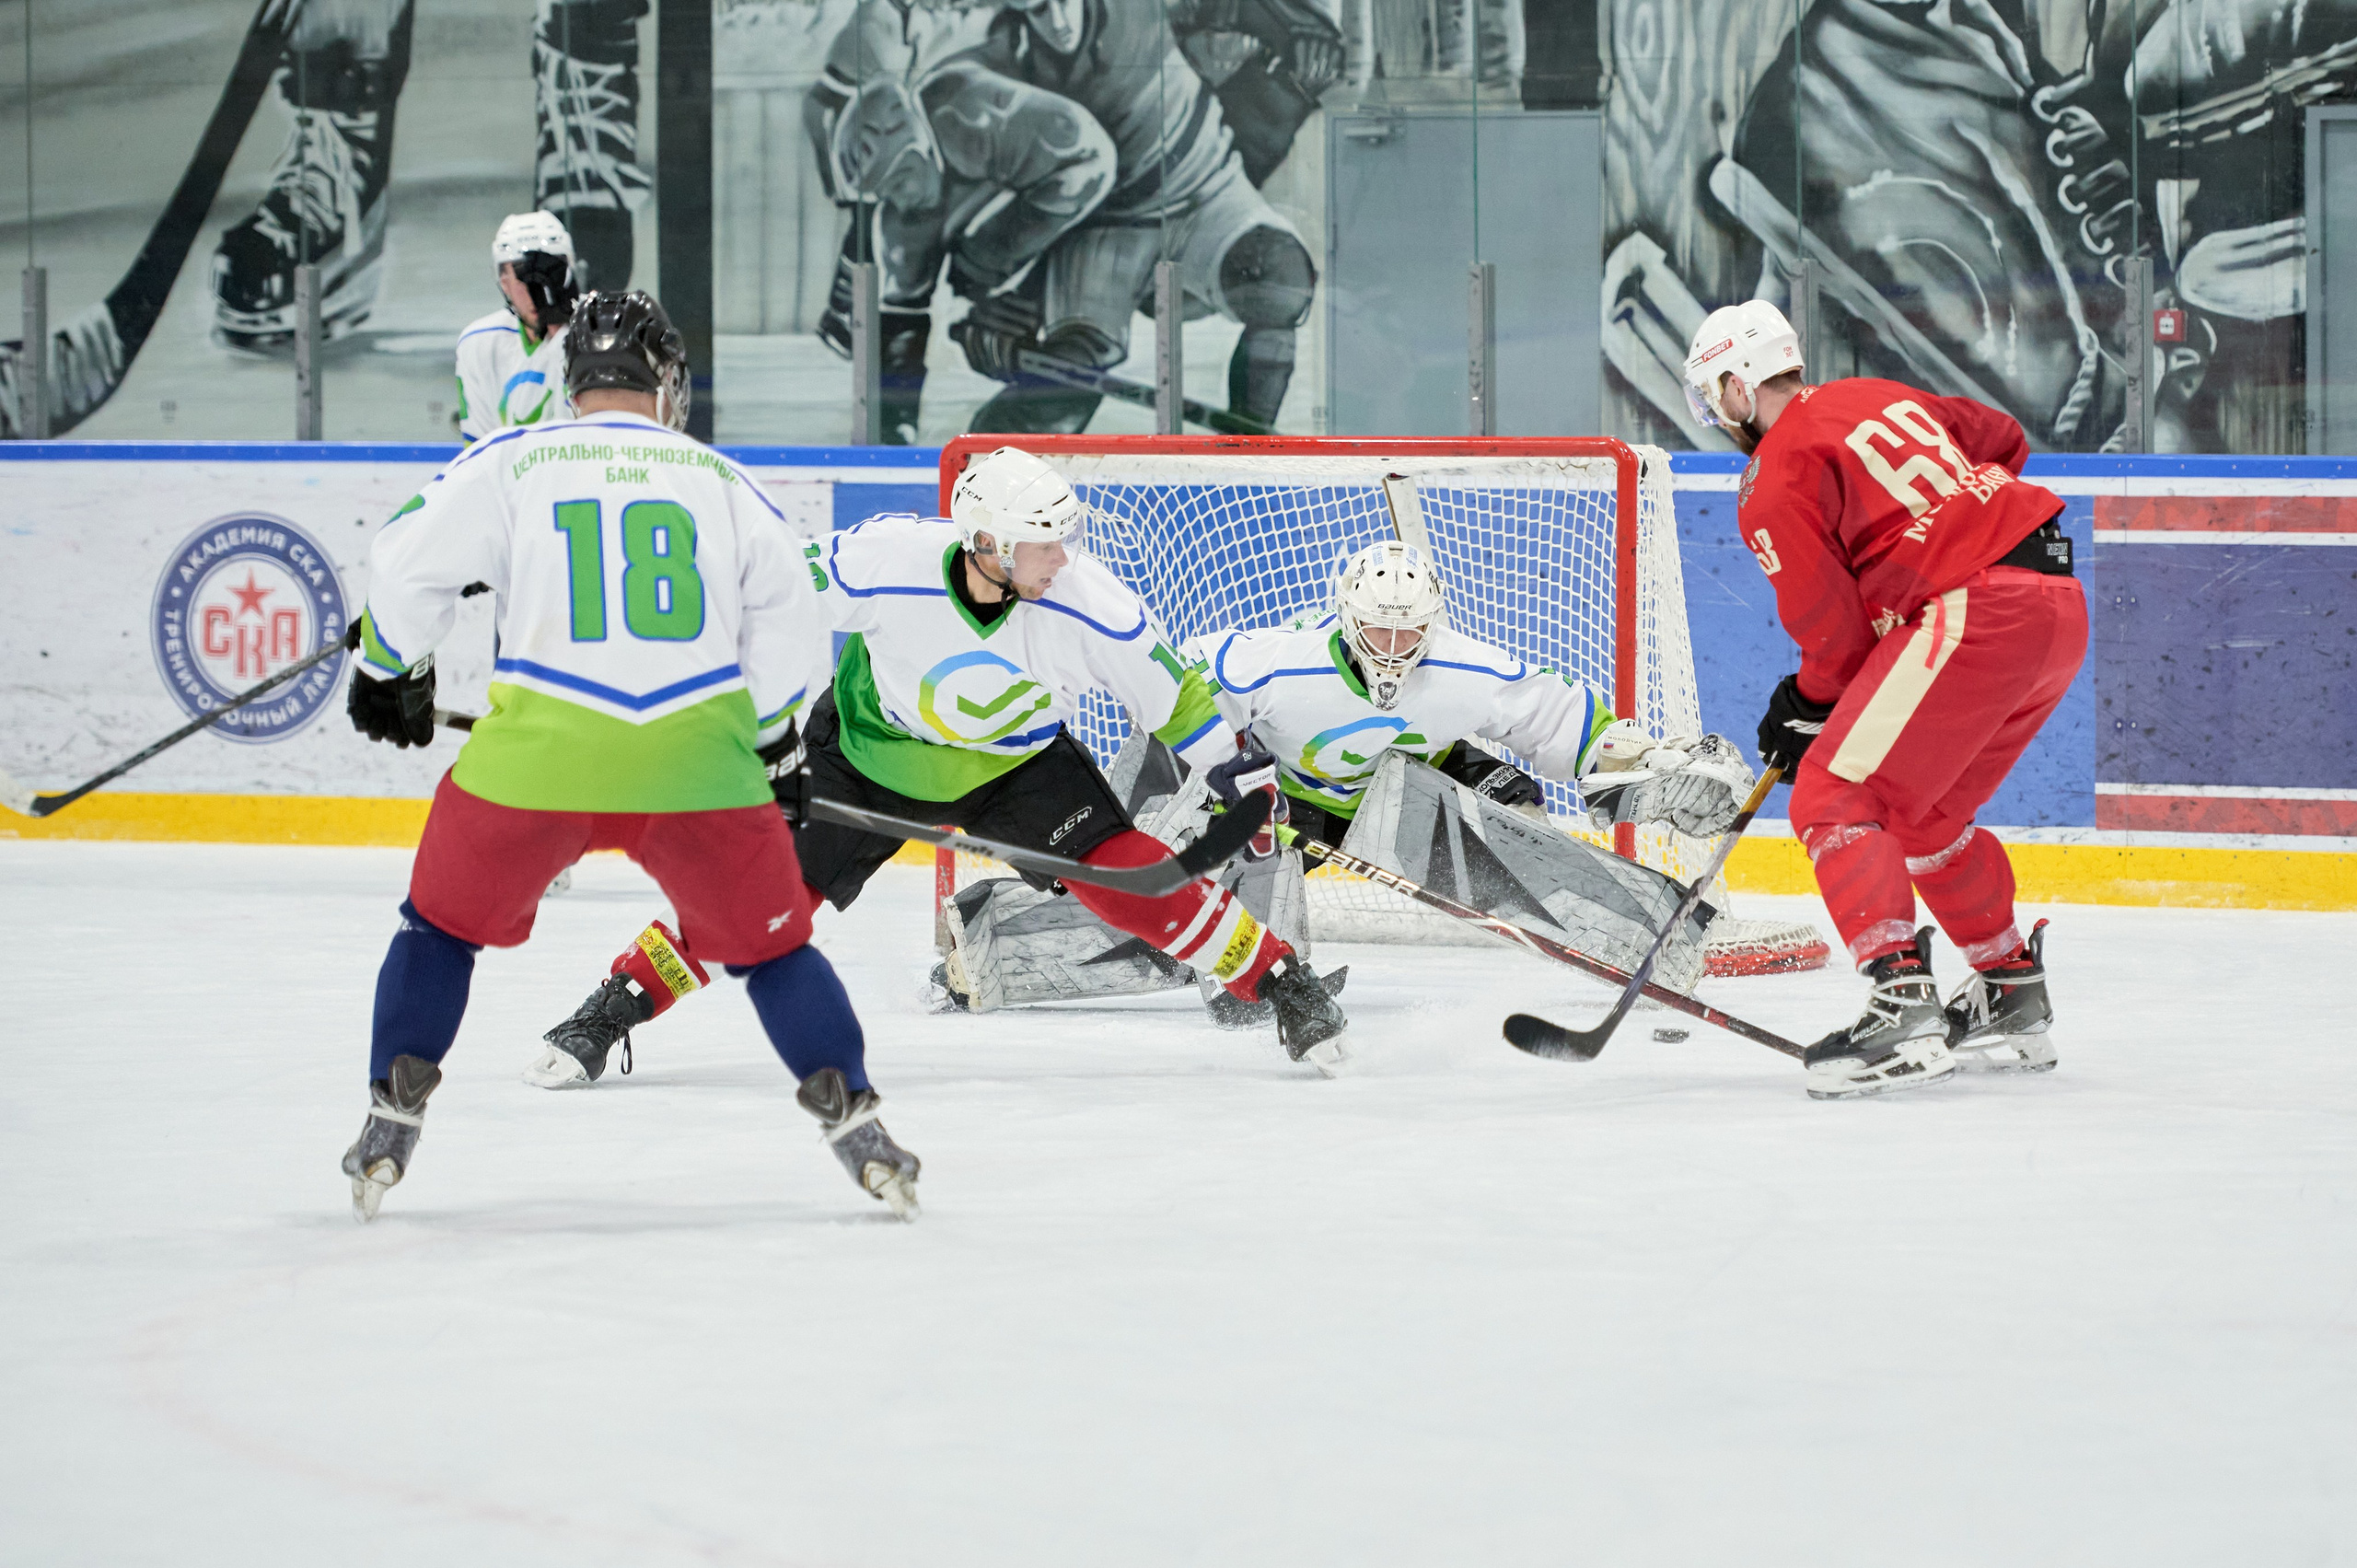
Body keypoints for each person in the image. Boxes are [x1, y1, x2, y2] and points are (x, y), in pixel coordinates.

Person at [338, 290, 921, 1221]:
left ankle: (388, 1116)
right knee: (774, 953)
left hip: (537, 759)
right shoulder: (718, 477)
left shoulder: (515, 458)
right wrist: (771, 738)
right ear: (666, 380)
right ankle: (856, 1121)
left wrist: (386, 665)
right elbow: (789, 610)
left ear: (574, 382)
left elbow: (407, 568)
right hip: (695, 763)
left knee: (439, 928)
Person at [528, 445, 1352, 1086]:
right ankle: (611, 1010)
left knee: (1126, 874)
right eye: (1043, 543)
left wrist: (1234, 769)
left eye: (1067, 538)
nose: (1062, 559)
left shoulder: (1088, 603)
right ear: (987, 543)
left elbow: (1175, 701)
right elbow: (769, 596)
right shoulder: (889, 560)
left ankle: (1283, 983)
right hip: (865, 756)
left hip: (1016, 765)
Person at [930, 538, 1753, 1019]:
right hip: (1261, 807)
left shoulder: (1466, 669)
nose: (1395, 650)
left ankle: (1662, 932)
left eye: (1410, 635)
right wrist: (1132, 831)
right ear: (1344, 618)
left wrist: (1651, 763)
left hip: (1369, 808)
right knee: (1190, 939)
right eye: (1378, 634)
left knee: (1488, 823)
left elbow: (1564, 725)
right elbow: (1170, 712)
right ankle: (992, 942)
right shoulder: (1271, 662)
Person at [1682, 298, 2085, 1100]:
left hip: (1974, 611)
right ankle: (2008, 984)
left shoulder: (1771, 474)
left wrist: (1809, 700)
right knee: (1922, 815)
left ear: (1735, 385)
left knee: (1834, 795)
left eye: (1713, 398)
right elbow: (2005, 440)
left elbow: (1833, 632)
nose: (1719, 419)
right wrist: (1950, 523)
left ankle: (1900, 1002)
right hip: (2056, 607)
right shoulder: (1879, 394)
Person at [456, 212, 581, 442]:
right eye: (526, 278)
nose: (539, 290)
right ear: (504, 284)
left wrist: (563, 334)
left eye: (550, 274)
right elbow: (481, 452)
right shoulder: (480, 344)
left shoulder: (601, 333)